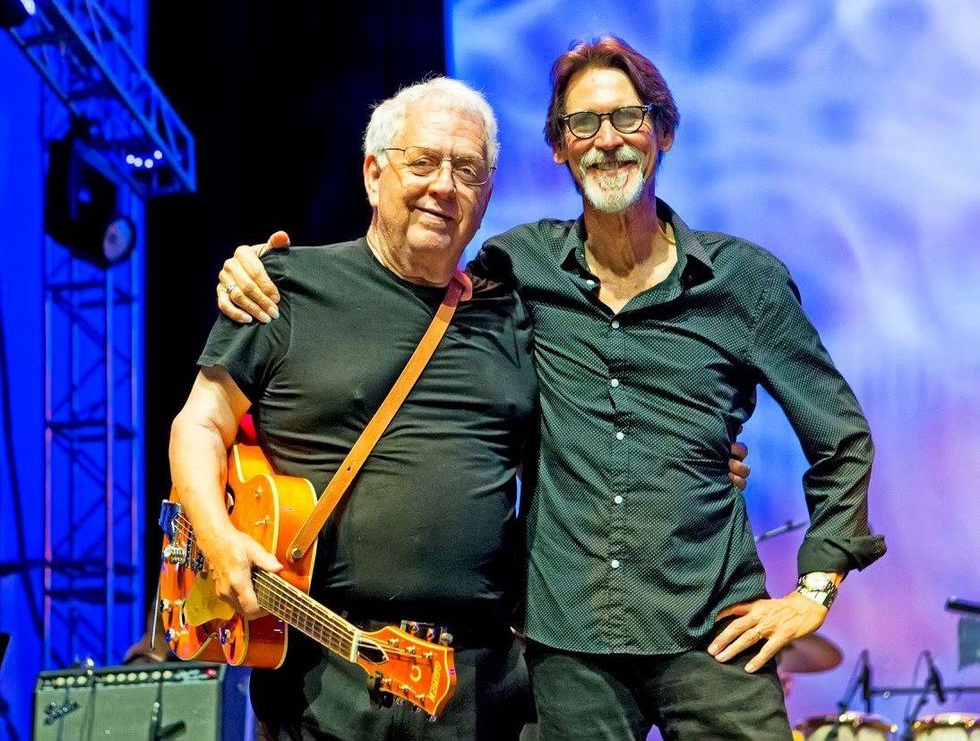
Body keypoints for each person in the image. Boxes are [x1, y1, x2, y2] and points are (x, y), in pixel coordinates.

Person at [216, 37, 881, 740]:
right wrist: (250, 270)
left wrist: (815, 587)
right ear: (560, 149)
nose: (607, 142)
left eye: (627, 118)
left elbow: (840, 438)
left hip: (713, 632)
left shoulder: (742, 282)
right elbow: (411, 285)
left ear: (663, 132)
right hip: (569, 648)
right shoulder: (518, 267)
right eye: (582, 125)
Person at [170, 77, 541, 741]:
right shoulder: (284, 286)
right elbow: (199, 423)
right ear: (374, 174)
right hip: (323, 677)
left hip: (482, 687)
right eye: (423, 162)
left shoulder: (514, 314)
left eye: (468, 170)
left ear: (486, 195)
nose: (444, 186)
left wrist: (703, 452)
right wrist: (217, 537)